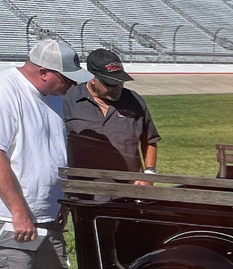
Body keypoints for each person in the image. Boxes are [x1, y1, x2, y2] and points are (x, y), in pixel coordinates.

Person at [0, 39, 110, 269]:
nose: (73, 84)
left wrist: (59, 199)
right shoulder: (4, 91)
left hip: (45, 208)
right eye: (66, 77)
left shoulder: (52, 97)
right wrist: (19, 211)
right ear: (43, 71)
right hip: (10, 213)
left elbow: (50, 151)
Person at [63, 49, 160, 186]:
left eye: (121, 81)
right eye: (110, 84)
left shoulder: (135, 101)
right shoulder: (68, 99)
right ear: (92, 79)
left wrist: (150, 173)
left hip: (129, 189)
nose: (118, 87)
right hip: (83, 190)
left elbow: (150, 139)